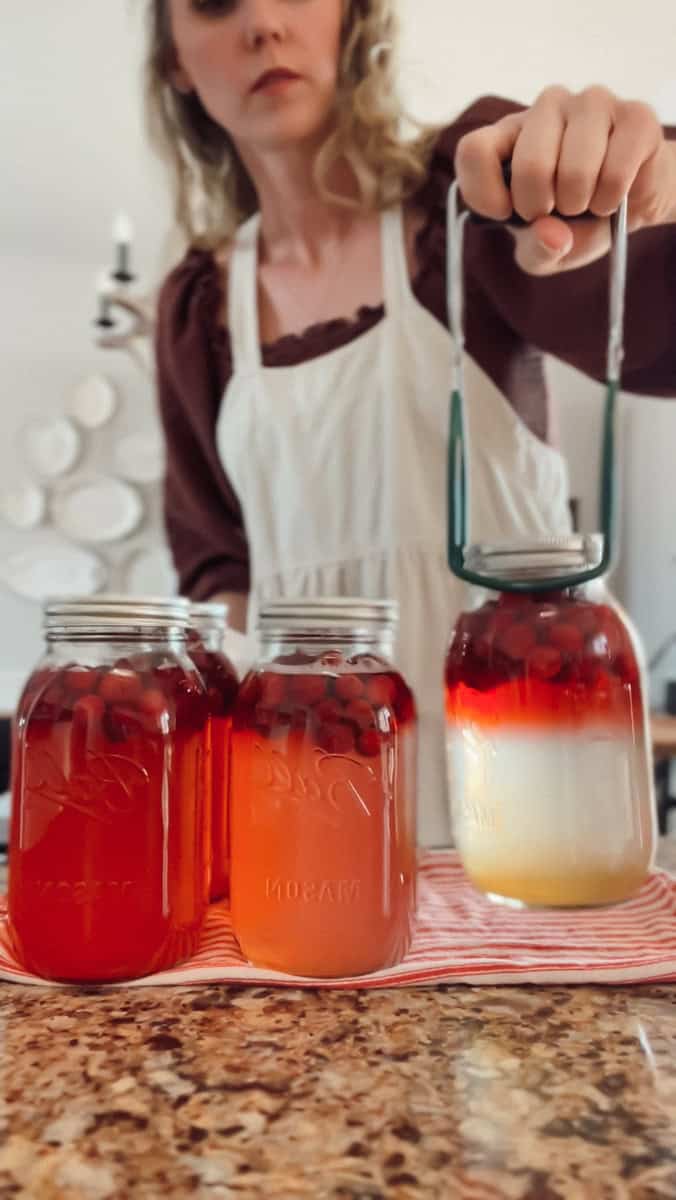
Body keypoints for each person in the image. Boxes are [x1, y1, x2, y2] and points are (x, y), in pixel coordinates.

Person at [146, 0, 676, 846]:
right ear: (174, 59)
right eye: (215, 2)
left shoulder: (470, 201)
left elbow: (647, 317)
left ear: (353, 16)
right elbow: (221, 573)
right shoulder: (196, 309)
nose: (263, 25)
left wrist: (645, 180)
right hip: (316, 769)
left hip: (532, 728)